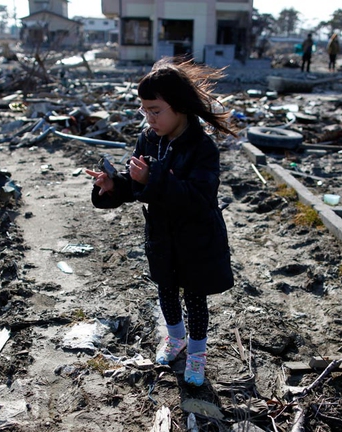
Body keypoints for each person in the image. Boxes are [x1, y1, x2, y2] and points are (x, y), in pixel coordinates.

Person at [85, 57, 236, 387]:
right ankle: (175, 339)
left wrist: (154, 179)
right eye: (144, 110)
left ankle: (196, 354)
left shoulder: (202, 148)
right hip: (161, 235)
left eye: (156, 110)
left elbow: (199, 196)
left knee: (194, 300)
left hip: (196, 238)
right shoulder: (148, 139)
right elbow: (137, 184)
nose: (148, 118)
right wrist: (114, 185)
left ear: (179, 106)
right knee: (166, 292)